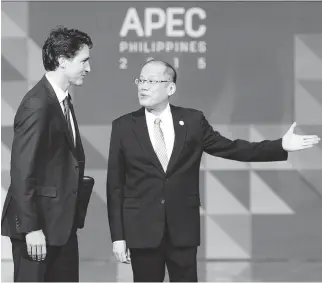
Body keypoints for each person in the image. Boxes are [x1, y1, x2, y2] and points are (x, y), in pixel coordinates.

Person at [107, 59, 320, 282]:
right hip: (142, 231)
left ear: (170, 88)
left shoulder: (191, 120)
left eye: (151, 81)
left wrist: (280, 146)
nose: (143, 86)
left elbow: (231, 148)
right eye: (140, 80)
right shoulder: (123, 126)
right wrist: (118, 237)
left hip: (183, 230)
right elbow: (115, 186)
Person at [1, 26, 94, 282]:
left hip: (60, 226)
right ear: (63, 61)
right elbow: (22, 170)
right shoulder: (38, 104)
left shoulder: (61, 100)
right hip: (37, 229)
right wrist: (31, 228)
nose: (88, 68)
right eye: (84, 61)